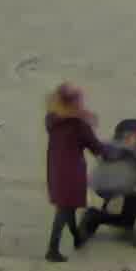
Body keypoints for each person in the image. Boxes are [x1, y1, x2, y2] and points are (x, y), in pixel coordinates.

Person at [43, 82, 103, 259]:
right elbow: (96, 147)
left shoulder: (52, 120)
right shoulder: (78, 126)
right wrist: (115, 150)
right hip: (72, 173)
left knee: (67, 207)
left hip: (55, 169)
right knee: (64, 209)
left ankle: (77, 237)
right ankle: (52, 250)